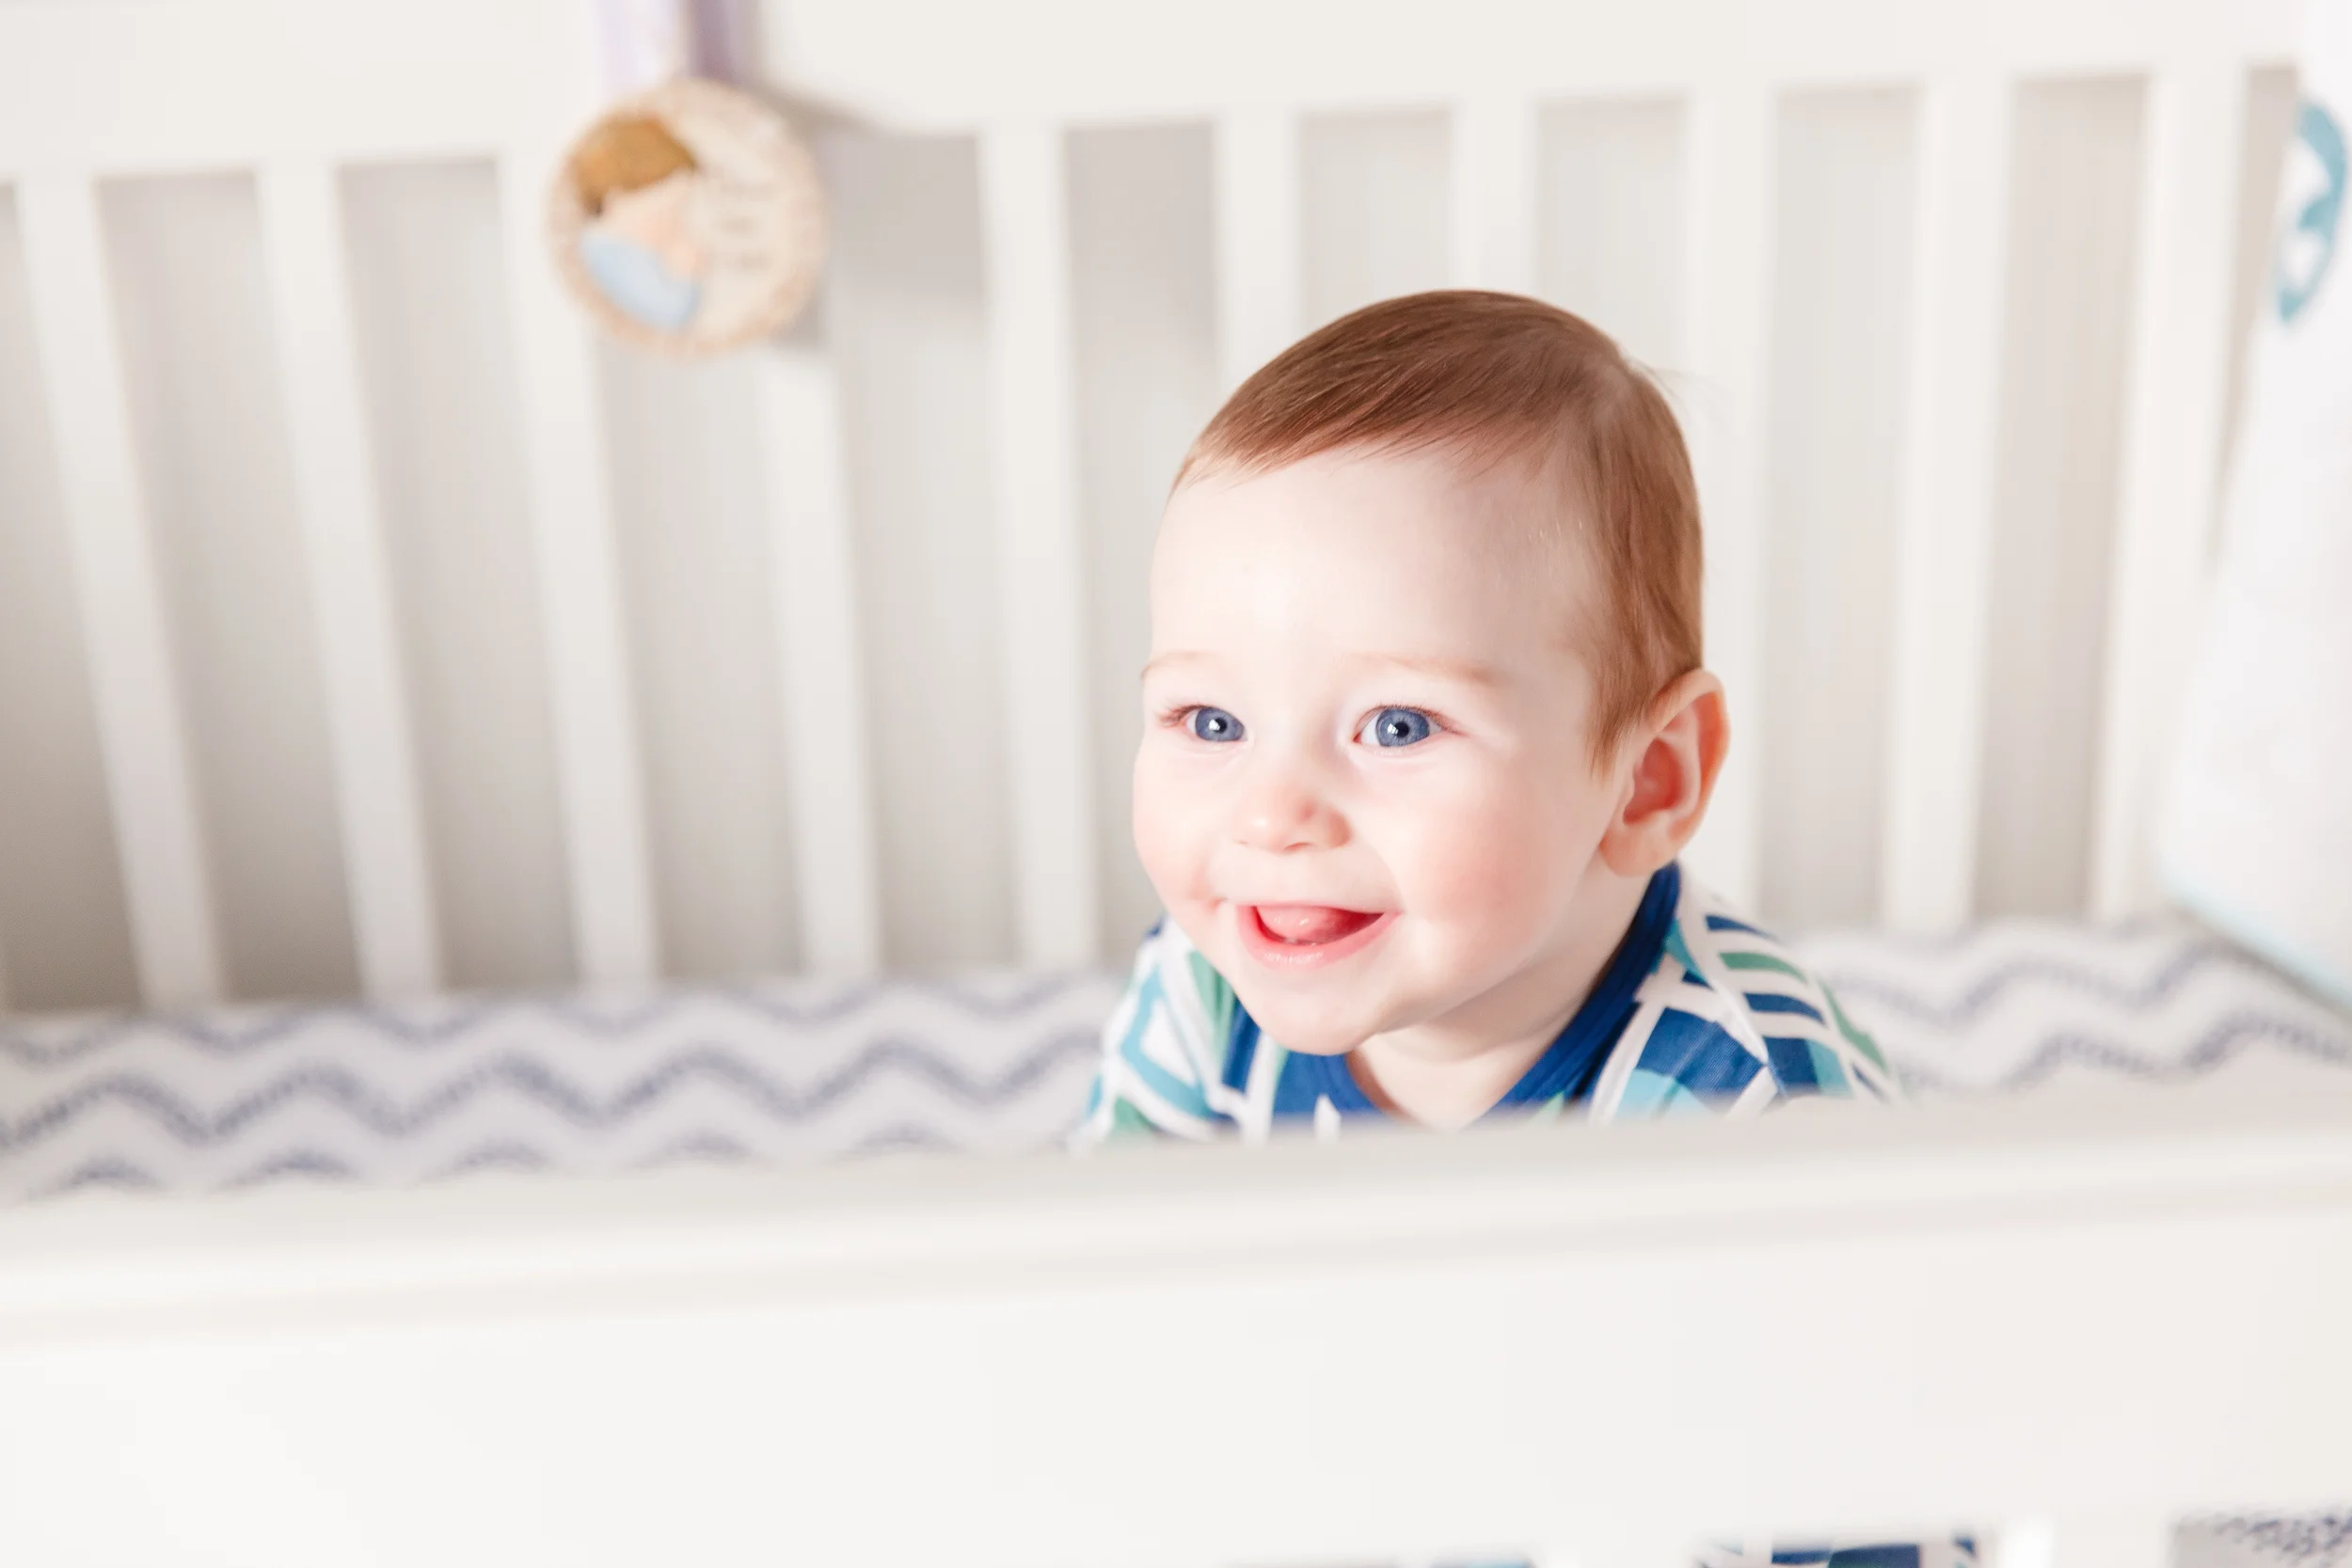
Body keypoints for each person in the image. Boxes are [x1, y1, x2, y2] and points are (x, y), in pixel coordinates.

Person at [1074, 290, 1898, 1147]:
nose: (1269, 817)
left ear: (1648, 780)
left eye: (1398, 725)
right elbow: (1109, 1254)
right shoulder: (1212, 977)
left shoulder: (1746, 1108)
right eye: (1211, 721)